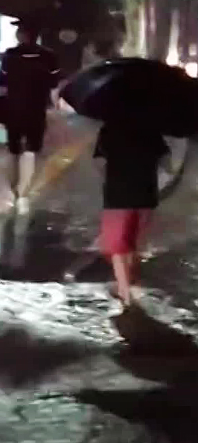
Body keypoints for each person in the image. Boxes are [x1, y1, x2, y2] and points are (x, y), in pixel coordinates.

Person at [94, 121, 170, 308]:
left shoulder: (109, 129)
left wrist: (110, 176)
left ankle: (124, 293)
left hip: (117, 195)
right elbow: (166, 163)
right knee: (133, 243)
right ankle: (131, 283)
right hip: (146, 194)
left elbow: (99, 162)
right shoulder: (152, 128)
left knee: (118, 247)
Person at [0, 23, 61, 214]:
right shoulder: (49, 57)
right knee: (32, 149)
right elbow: (54, 83)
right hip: (37, 108)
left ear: (20, 35)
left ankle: (13, 192)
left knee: (13, 149)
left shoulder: (10, 56)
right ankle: (24, 194)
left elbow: (1, 83)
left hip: (13, 108)